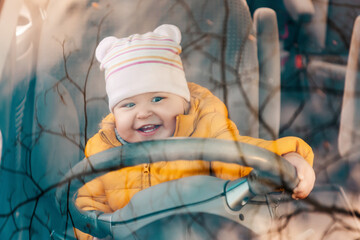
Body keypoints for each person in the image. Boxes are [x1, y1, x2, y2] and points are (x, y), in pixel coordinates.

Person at [74, 24, 315, 239]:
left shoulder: (207, 130)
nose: (143, 112)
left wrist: (289, 157)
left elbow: (242, 157)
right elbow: (86, 205)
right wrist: (95, 235)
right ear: (114, 113)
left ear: (183, 101)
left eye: (158, 98)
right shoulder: (101, 151)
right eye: (128, 104)